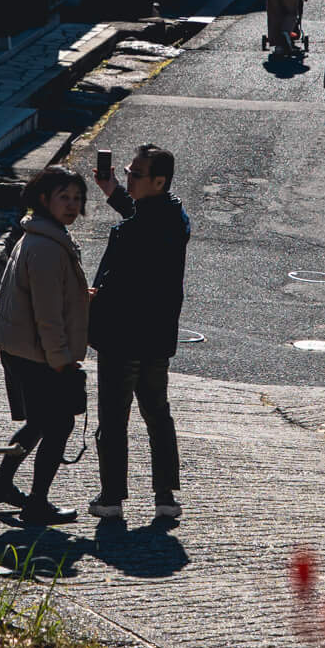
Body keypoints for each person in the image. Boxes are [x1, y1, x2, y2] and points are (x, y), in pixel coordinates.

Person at [88, 144, 190, 526]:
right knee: (157, 414)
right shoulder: (174, 216)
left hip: (122, 335)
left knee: (114, 419)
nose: (128, 177)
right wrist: (113, 191)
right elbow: (143, 213)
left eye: (134, 174)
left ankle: (112, 497)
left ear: (158, 181)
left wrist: (94, 298)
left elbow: (120, 281)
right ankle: (165, 496)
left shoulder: (134, 231)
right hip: (156, 336)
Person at [0, 167, 90, 526]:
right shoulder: (46, 247)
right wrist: (61, 359)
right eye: (64, 197)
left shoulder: (41, 236)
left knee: (40, 423)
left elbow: (50, 296)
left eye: (77, 198)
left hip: (24, 349)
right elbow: (47, 313)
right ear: (44, 199)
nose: (73, 205)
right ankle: (37, 504)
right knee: (58, 426)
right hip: (39, 354)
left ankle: (1, 484)